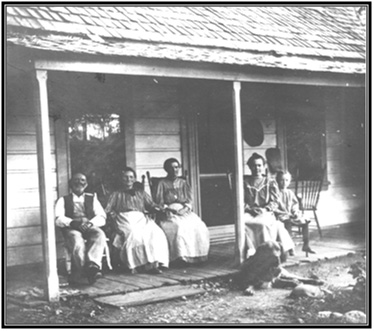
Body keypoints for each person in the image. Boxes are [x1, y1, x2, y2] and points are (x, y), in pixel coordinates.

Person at [105, 167, 169, 274]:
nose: (128, 179)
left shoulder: (141, 193)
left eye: (131, 177)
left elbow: (151, 205)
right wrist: (112, 215)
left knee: (156, 233)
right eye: (125, 177)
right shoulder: (116, 194)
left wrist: (160, 208)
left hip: (141, 218)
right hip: (124, 218)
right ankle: (135, 264)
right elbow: (107, 209)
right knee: (133, 235)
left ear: (134, 179)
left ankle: (153, 263)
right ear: (121, 179)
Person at [154, 158, 210, 265]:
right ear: (166, 169)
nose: (174, 170)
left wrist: (185, 209)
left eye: (176, 167)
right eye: (171, 167)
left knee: (199, 226)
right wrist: (168, 209)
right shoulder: (161, 183)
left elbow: (189, 199)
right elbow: (158, 201)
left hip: (183, 210)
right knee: (179, 227)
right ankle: (180, 256)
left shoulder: (183, 182)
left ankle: (196, 255)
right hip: (169, 211)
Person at [55, 173, 107, 285]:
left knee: (99, 234)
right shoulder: (63, 200)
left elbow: (102, 216)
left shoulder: (92, 198)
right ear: (70, 184)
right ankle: (89, 271)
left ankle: (92, 265)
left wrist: (90, 223)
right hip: (72, 227)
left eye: (82, 180)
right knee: (76, 238)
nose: (79, 182)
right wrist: (73, 223)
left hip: (88, 225)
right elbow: (58, 218)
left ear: (86, 184)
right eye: (76, 180)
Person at [243, 153, 295, 258]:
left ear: (264, 166)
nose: (256, 168)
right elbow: (241, 201)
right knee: (242, 223)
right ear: (249, 167)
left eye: (259, 165)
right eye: (254, 165)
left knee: (262, 224)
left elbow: (275, 201)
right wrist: (249, 209)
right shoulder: (245, 182)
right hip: (249, 212)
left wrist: (264, 209)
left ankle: (267, 253)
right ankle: (251, 250)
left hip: (265, 212)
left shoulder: (270, 182)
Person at [275, 171, 316, 255]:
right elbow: (274, 207)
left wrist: (295, 212)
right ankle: (290, 247)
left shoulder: (290, 193)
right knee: (287, 223)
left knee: (305, 221)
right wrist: (284, 213)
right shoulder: (276, 193)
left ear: (289, 181)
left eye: (286, 180)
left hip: (290, 214)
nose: (284, 182)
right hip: (280, 215)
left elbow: (294, 204)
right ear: (278, 181)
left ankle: (306, 245)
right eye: (281, 180)